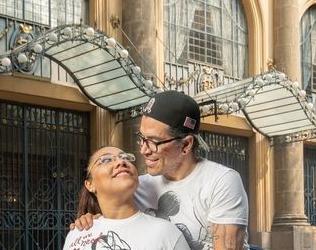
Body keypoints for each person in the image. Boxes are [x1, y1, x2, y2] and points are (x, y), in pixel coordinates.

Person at [74, 91, 249, 250]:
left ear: (186, 144)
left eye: (154, 141)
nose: (144, 150)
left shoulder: (220, 181)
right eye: (142, 138)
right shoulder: (137, 186)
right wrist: (88, 222)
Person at [63, 145, 190, 250]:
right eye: (106, 160)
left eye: (126, 158)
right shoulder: (78, 233)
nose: (121, 161)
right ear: (90, 185)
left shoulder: (165, 233)